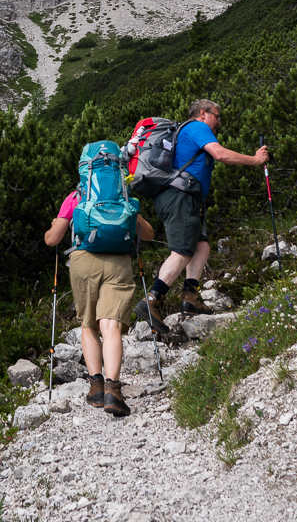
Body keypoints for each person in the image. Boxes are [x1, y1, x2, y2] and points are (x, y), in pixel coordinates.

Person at [136, 99, 269, 334]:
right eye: (217, 116)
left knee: (201, 245)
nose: (220, 122)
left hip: (184, 196)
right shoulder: (197, 127)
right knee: (182, 250)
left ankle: (190, 297)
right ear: (203, 113)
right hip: (180, 195)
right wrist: (255, 160)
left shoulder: (191, 129)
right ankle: (152, 299)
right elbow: (220, 155)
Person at [44, 191, 154, 418]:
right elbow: (148, 234)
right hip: (119, 262)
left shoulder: (76, 196)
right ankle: (113, 391)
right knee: (111, 326)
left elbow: (52, 239)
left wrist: (53, 225)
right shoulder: (125, 198)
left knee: (88, 323)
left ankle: (96, 390)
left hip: (84, 261)